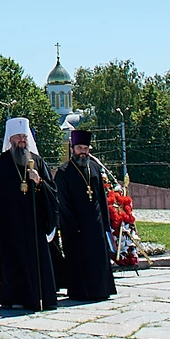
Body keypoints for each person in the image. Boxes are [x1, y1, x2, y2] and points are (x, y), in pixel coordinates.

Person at [0, 117, 57, 311]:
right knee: (13, 262)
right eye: (18, 137)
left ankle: (42, 297)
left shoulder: (37, 161)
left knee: (38, 260)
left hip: (34, 223)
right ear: (10, 139)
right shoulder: (0, 162)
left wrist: (39, 182)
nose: (22, 140)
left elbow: (52, 191)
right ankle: (14, 298)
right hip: (10, 224)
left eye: (24, 137)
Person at [54, 129, 116, 303]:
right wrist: (73, 227)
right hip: (76, 227)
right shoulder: (64, 172)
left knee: (98, 258)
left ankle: (101, 290)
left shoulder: (94, 168)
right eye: (80, 148)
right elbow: (63, 203)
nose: (83, 152)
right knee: (79, 260)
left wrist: (105, 223)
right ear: (72, 149)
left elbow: (101, 197)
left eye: (86, 148)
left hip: (96, 224)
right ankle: (81, 292)